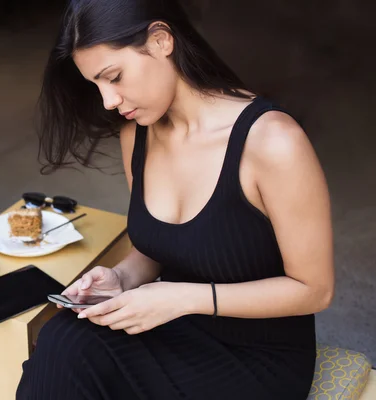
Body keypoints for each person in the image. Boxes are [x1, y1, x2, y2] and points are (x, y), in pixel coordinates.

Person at [17, 0, 335, 399]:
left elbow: (315, 290)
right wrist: (122, 278)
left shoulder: (272, 142)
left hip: (257, 359)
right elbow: (162, 248)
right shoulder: (137, 134)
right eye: (95, 85)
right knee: (63, 339)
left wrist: (182, 298)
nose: (108, 101)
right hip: (174, 325)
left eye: (113, 77)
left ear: (161, 40)